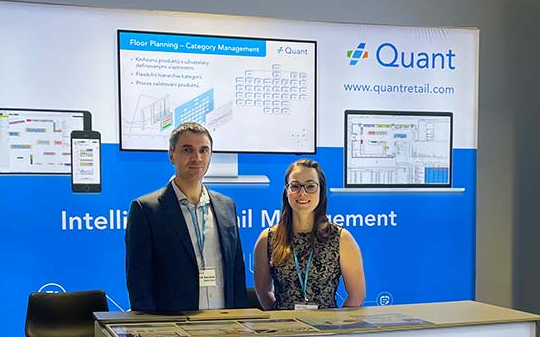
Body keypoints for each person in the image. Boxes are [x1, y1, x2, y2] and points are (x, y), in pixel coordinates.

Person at [125, 122, 253, 312]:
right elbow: (138, 281)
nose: (197, 157)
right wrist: (150, 325)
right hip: (173, 324)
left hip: (223, 321)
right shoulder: (146, 210)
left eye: (204, 150)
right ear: (171, 155)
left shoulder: (226, 206)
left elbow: (236, 272)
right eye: (187, 150)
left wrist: (239, 319)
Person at [253, 158, 364, 309]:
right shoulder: (268, 239)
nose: (302, 193)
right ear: (286, 191)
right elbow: (263, 291)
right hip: (284, 323)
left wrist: (337, 322)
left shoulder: (341, 239)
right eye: (295, 186)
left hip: (327, 323)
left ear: (321, 191)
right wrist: (279, 317)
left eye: (310, 186)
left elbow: (357, 295)